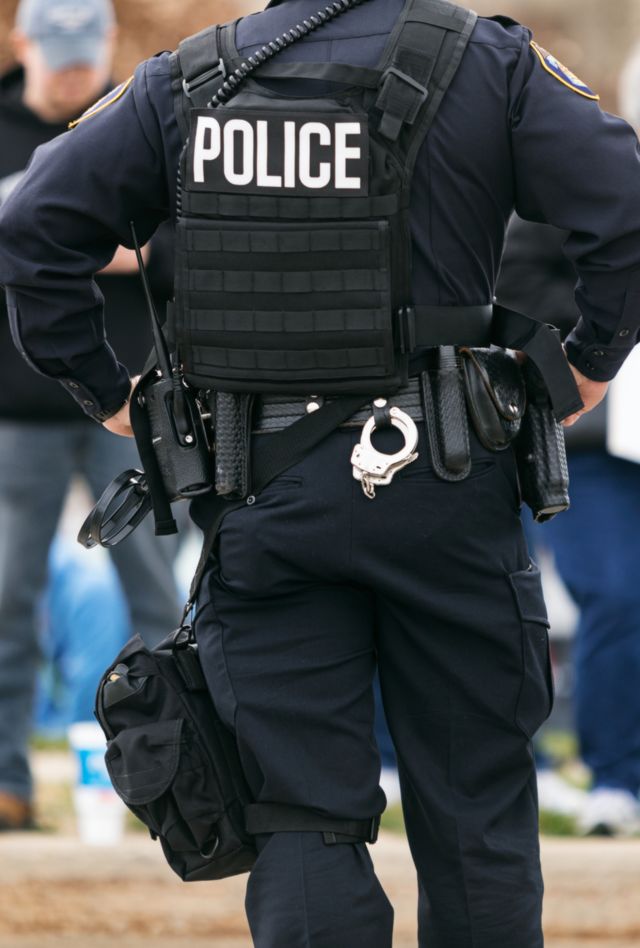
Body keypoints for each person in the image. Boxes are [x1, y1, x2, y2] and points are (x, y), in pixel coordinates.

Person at [1, 0, 639, 944]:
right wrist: (587, 364)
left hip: (263, 496)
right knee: (478, 821)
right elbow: (624, 209)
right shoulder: (485, 63)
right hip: (448, 490)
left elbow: (32, 229)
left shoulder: (185, 81)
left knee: (301, 816)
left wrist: (112, 398)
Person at [0, 0, 181, 833]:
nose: (72, 70)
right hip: (16, 410)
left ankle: (176, 783)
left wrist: (40, 228)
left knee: (157, 596)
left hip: (131, 403)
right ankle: (7, 786)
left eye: (85, 51)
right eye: (56, 51)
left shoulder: (139, 119)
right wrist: (93, 240)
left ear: (109, 42)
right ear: (23, 44)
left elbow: (170, 244)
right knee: (8, 598)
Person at [499, 214, 640, 836]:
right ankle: (615, 778)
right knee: (615, 596)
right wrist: (614, 322)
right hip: (599, 441)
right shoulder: (571, 194)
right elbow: (520, 296)